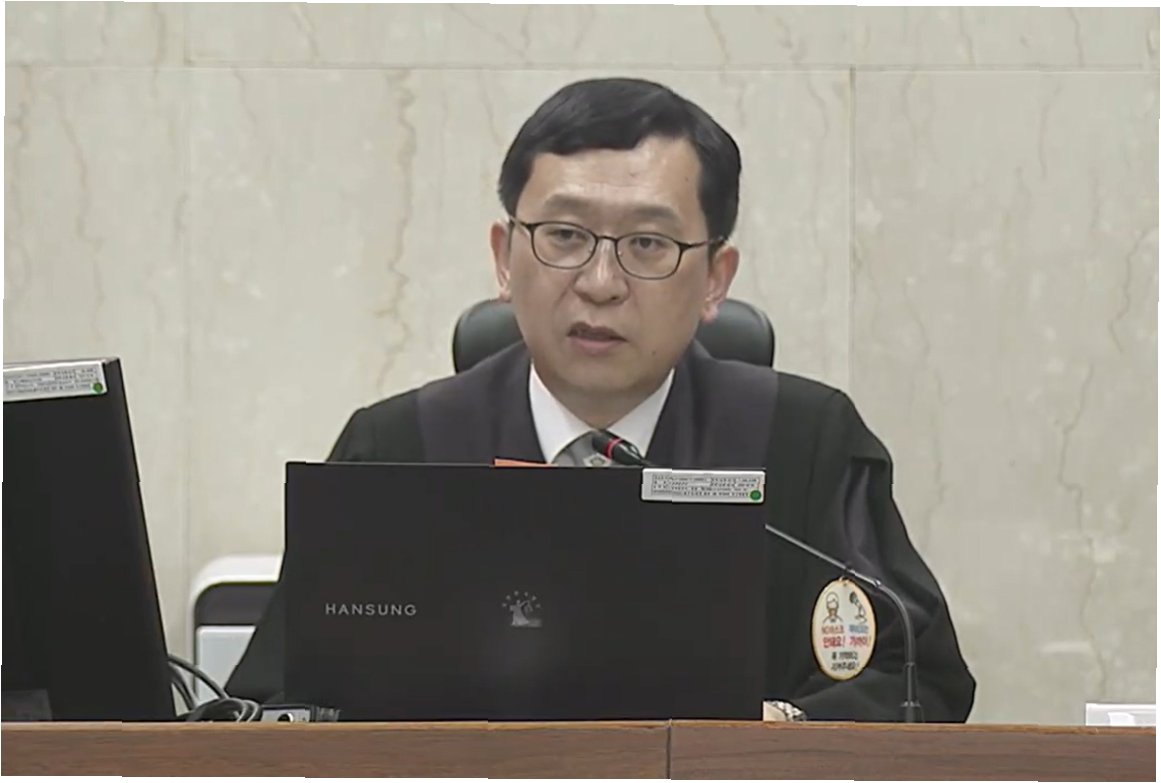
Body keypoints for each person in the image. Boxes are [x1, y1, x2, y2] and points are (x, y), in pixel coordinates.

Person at [227, 77, 976, 722]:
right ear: (503, 257)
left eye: (647, 244)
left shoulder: (802, 445)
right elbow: (271, 706)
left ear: (714, 277)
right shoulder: (398, 450)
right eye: (564, 236)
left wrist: (770, 732)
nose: (599, 282)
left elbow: (913, 680)